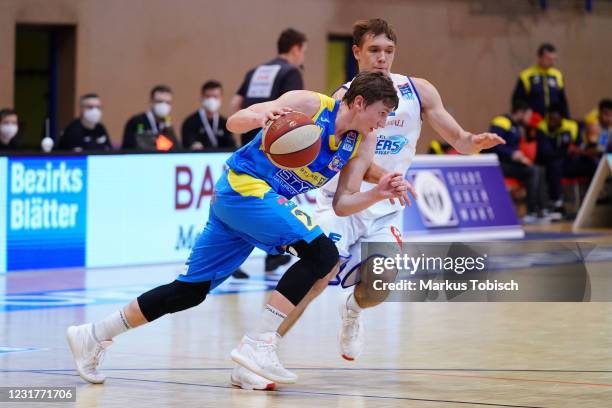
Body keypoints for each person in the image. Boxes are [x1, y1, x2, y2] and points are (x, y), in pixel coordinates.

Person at [66, 71, 411, 389]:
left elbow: (342, 204)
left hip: (252, 205)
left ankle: (93, 336)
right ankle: (259, 344)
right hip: (243, 185)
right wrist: (261, 117)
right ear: (360, 103)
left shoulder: (360, 142)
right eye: (381, 113)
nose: (383, 123)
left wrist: (377, 193)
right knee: (323, 253)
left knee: (189, 291)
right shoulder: (310, 104)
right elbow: (235, 120)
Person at [232, 18, 505, 390]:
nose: (382, 58)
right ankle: (259, 352)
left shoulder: (417, 90)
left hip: (386, 206)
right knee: (315, 278)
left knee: (379, 287)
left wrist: (475, 141)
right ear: (357, 52)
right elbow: (353, 162)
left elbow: (458, 138)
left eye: (388, 51)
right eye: (374, 50)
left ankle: (353, 311)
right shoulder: (345, 99)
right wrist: (384, 181)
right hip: (341, 202)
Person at [230, 28, 308, 275]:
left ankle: (235, 258)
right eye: (303, 51)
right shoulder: (291, 72)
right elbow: (294, 114)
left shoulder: (256, 71)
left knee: (244, 201)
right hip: (274, 146)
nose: (302, 57)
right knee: (269, 202)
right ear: (296, 48)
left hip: (248, 140)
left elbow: (235, 105)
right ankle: (273, 256)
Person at [486, 100, 547, 223]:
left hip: (510, 164)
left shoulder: (516, 127)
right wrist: (512, 154)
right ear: (520, 113)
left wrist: (521, 158)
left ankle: (541, 210)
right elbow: (493, 145)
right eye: (528, 115)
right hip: (498, 164)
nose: (529, 119)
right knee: (533, 171)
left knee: (539, 169)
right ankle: (530, 212)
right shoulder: (501, 122)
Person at [536, 104, 596, 218]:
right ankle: (556, 203)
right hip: (549, 164)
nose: (552, 122)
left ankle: (591, 199)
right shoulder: (542, 128)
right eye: (550, 119)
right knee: (555, 164)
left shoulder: (572, 126)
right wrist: (566, 151)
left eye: (555, 119)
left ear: (561, 118)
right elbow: (546, 152)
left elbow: (580, 145)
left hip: (568, 162)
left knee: (591, 164)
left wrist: (578, 150)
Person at [512, 43, 569, 119]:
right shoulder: (527, 75)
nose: (552, 62)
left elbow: (562, 100)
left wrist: (566, 116)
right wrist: (526, 115)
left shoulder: (557, 75)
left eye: (554, 59)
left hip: (552, 123)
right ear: (540, 57)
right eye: (549, 59)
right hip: (533, 121)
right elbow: (518, 100)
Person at [181, 80, 236, 151]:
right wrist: (193, 145)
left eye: (215, 97)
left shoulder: (225, 123)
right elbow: (186, 144)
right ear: (202, 98)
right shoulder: (190, 122)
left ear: (221, 98)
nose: (212, 100)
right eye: (208, 96)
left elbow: (232, 147)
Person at [122, 85, 179, 151]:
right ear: (151, 102)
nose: (164, 105)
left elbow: (176, 149)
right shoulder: (136, 122)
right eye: (159, 101)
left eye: (167, 102)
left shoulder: (167, 124)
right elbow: (128, 148)